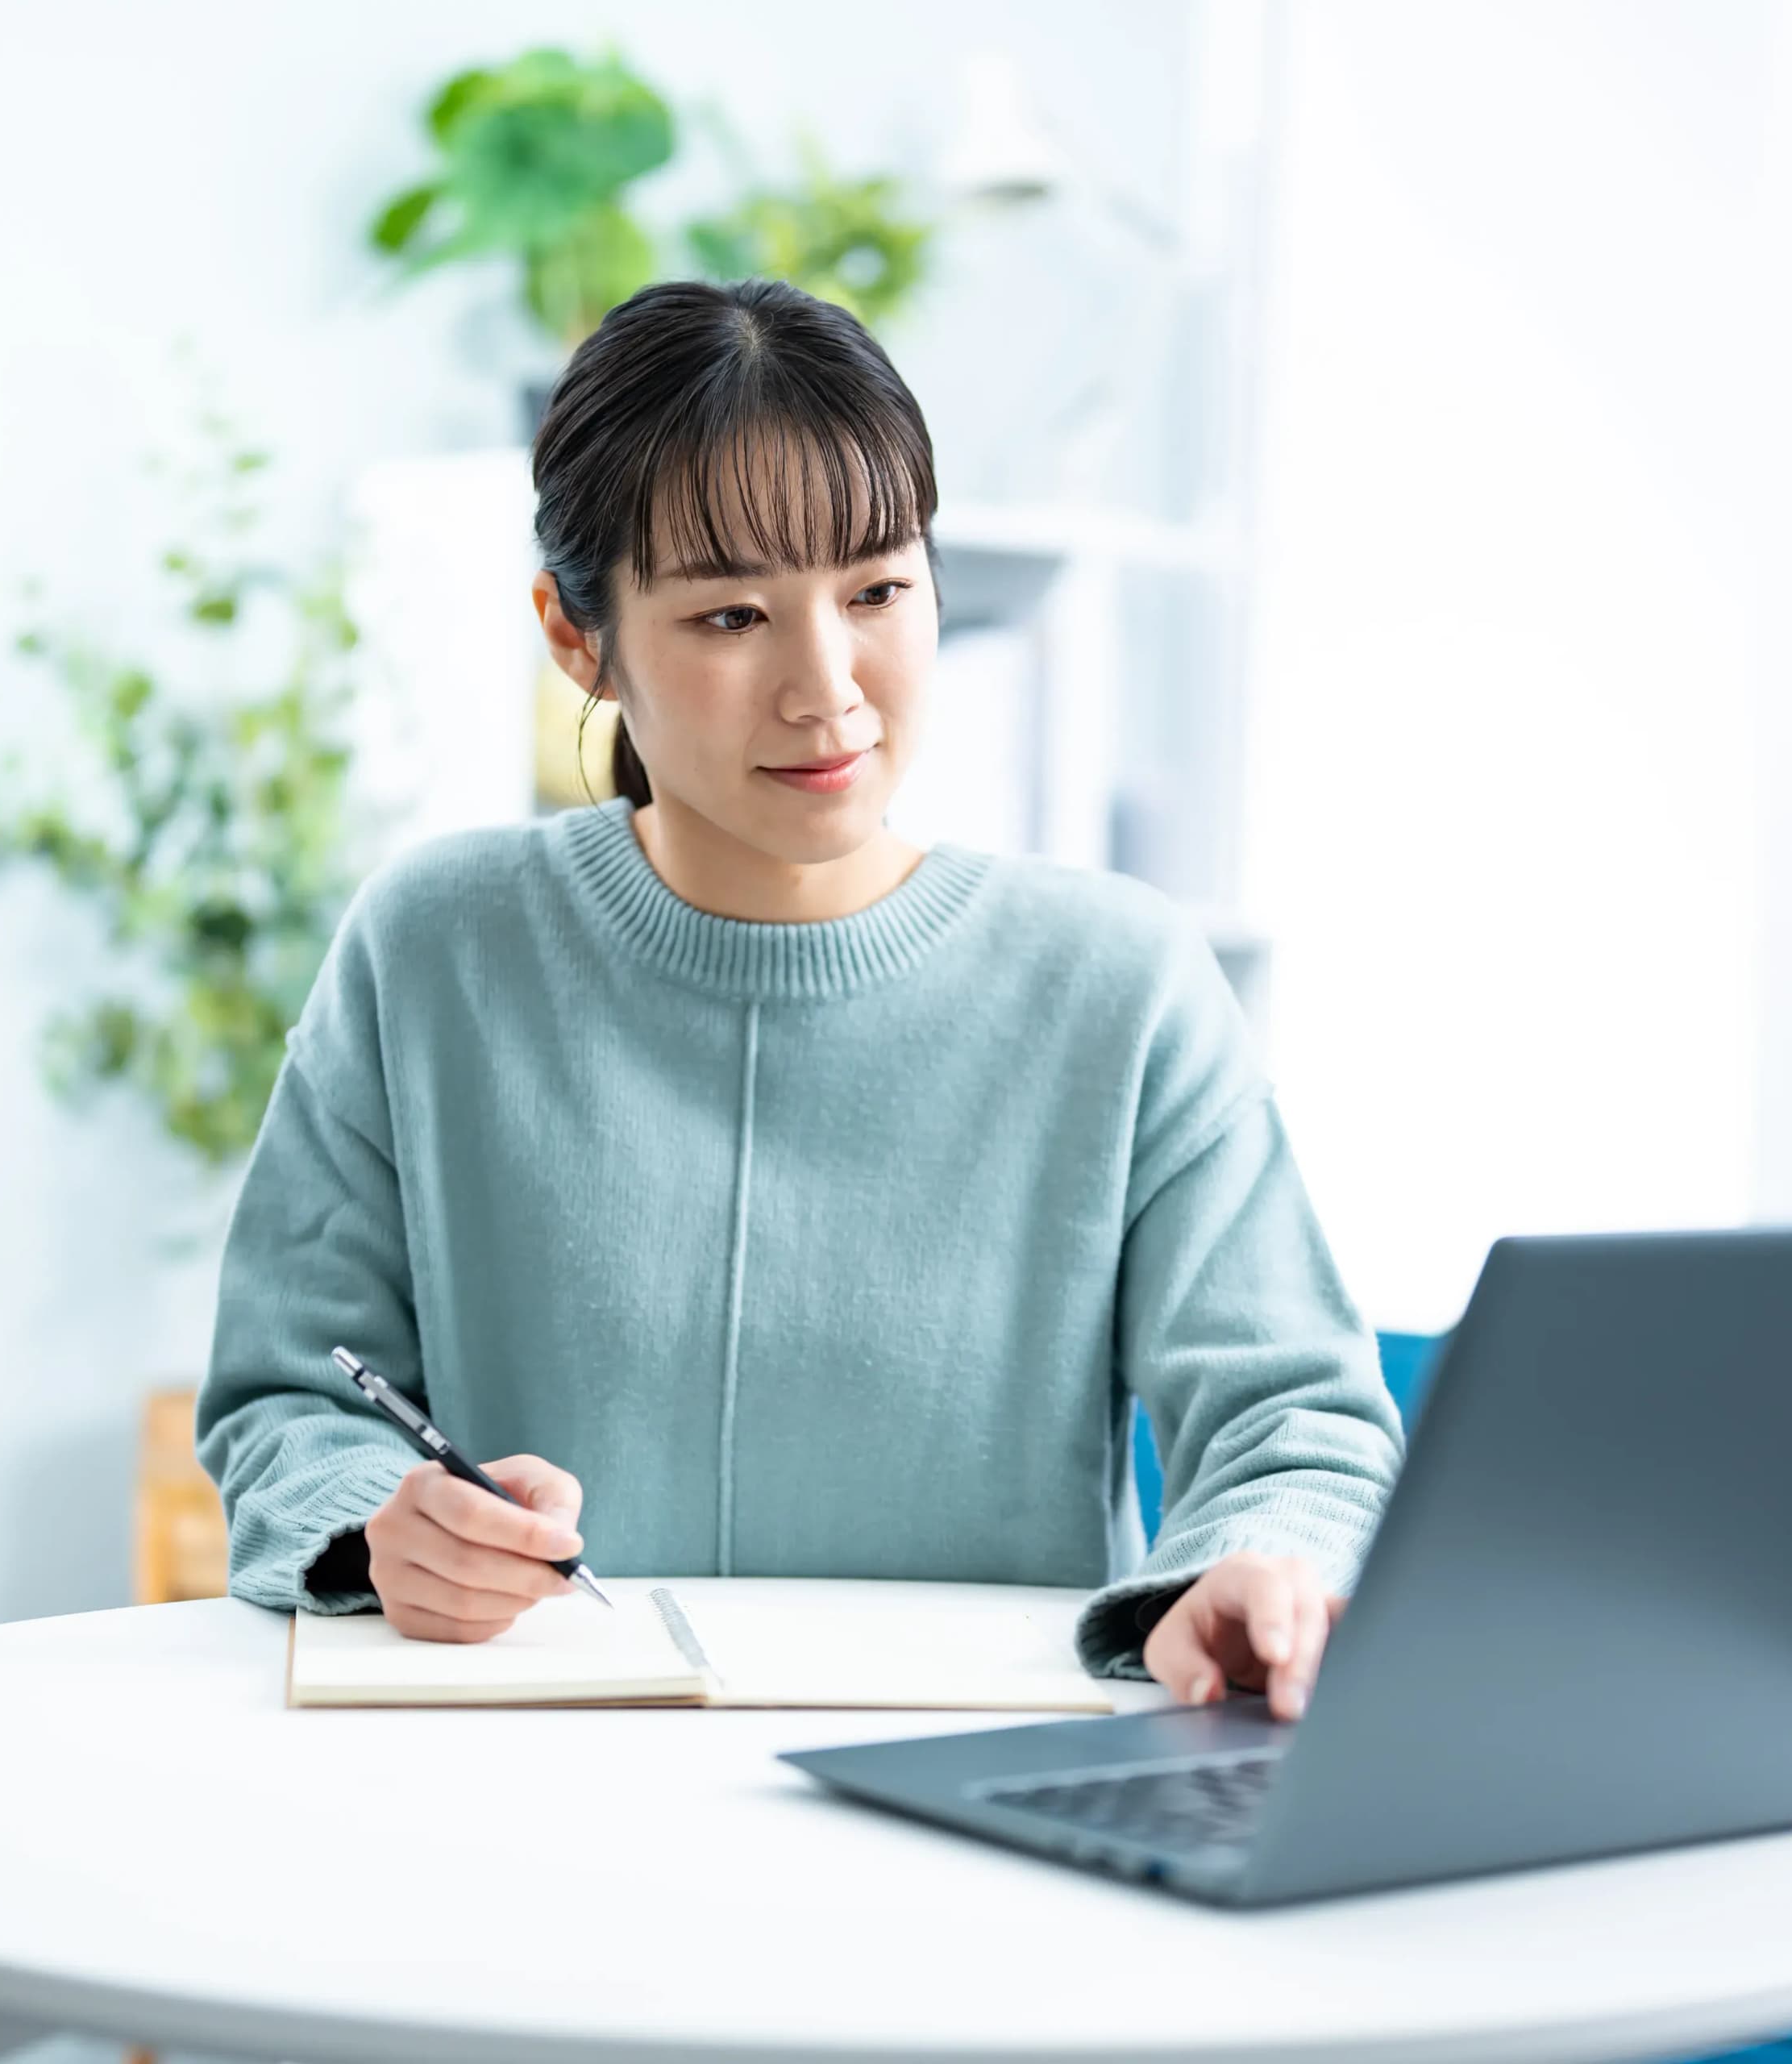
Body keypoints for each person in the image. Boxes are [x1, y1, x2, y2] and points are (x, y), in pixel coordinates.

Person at [196, 277, 1401, 1715]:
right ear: (579, 638)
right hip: (526, 1782)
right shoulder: (433, 951)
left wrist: (1258, 1566)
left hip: (978, 1791)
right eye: (728, 617)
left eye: (878, 591)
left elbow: (1297, 1421)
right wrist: (378, 1530)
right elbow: (288, 1396)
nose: (828, 690)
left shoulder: (1121, 986)